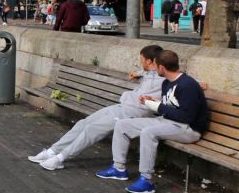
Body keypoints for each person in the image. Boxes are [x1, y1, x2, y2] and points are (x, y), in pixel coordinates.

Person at [29, 45, 164, 171]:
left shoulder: (163, 78)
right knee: (83, 123)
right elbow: (147, 73)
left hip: (133, 114)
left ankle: (60, 158)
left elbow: (168, 86)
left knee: (92, 129)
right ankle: (52, 151)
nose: (140, 63)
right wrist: (138, 73)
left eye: (142, 60)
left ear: (150, 61)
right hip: (121, 107)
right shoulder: (149, 72)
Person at [96, 49, 209, 193]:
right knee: (122, 124)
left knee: (148, 132)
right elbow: (170, 105)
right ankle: (118, 169)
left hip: (188, 129)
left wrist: (158, 106)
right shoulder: (167, 83)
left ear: (161, 67)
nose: (154, 70)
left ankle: (146, 180)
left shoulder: (188, 85)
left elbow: (187, 117)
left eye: (156, 66)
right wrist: (153, 102)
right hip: (168, 121)